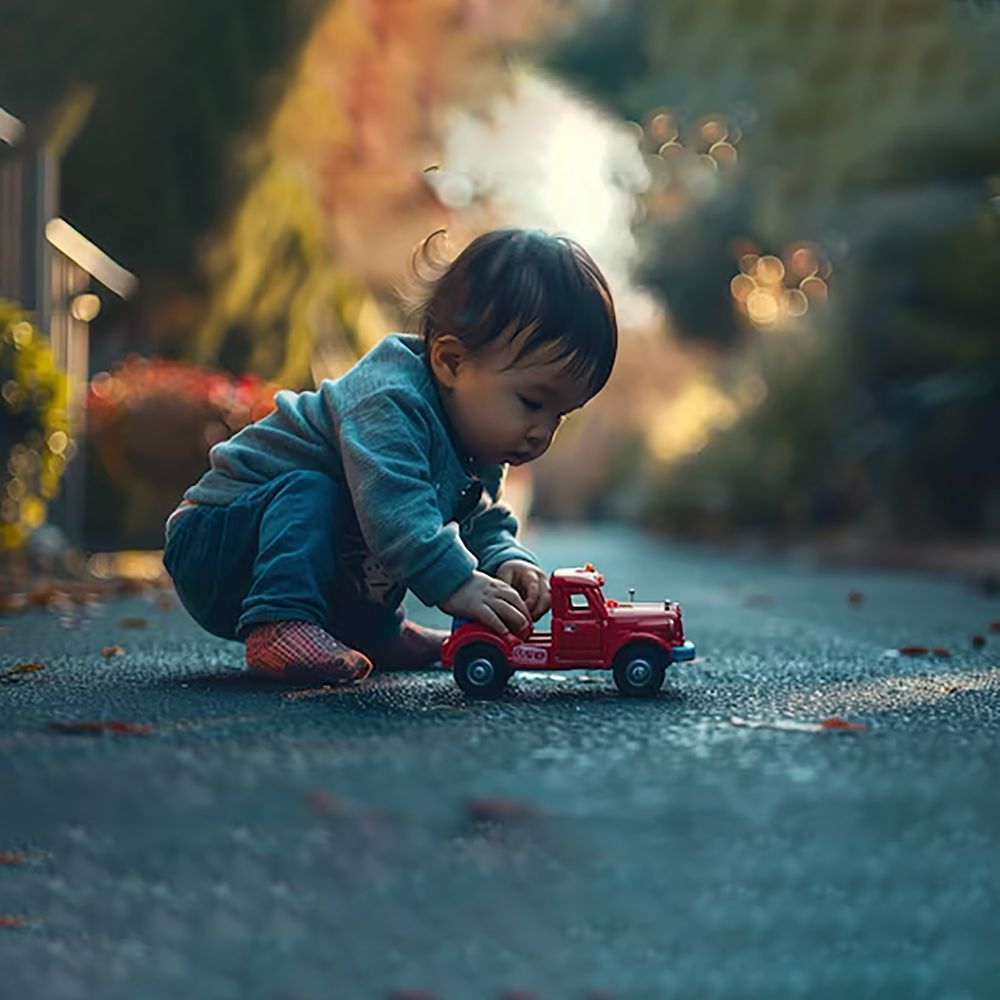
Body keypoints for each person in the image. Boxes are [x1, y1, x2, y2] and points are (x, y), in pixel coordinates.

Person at [162, 227, 618, 684]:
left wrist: (505, 559)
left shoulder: (475, 442)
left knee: (357, 522)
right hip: (218, 543)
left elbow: (476, 514)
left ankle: (374, 633)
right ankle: (280, 622)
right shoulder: (388, 400)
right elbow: (395, 506)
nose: (543, 433)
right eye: (532, 403)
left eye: (561, 416)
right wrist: (457, 582)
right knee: (318, 489)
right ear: (452, 362)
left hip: (283, 544)